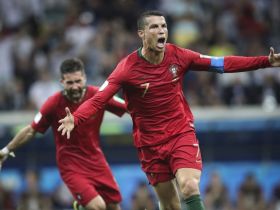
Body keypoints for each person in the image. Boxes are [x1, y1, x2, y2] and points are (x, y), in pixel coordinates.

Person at [57, 10, 280, 210]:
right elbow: (99, 99)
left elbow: (221, 64)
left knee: (189, 186)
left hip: (180, 132)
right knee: (170, 204)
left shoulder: (178, 56)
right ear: (141, 34)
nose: (161, 30)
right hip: (149, 143)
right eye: (154, 26)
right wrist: (75, 118)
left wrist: (265, 62)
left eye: (163, 26)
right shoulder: (126, 68)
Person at [0, 58, 127, 210]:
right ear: (61, 82)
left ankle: (80, 206)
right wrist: (7, 150)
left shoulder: (98, 95)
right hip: (70, 164)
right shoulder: (53, 103)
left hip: (96, 160)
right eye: (69, 83)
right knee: (98, 206)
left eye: (78, 81)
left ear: (85, 78)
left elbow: (129, 107)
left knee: (113, 206)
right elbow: (31, 130)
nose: (74, 87)